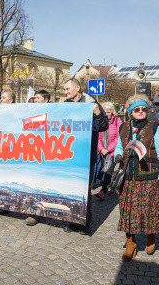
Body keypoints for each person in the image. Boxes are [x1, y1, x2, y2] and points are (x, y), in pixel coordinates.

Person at [114, 94, 159, 260]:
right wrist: (117, 156)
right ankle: (131, 243)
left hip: (148, 174)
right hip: (128, 175)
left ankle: (151, 236)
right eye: (136, 109)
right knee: (128, 210)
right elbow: (118, 146)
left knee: (149, 208)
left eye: (143, 109)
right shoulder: (124, 127)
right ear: (131, 111)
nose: (140, 111)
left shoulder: (154, 127)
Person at [63, 78, 109, 235]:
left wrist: (97, 114)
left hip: (86, 152)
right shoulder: (66, 104)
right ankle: (72, 221)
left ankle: (85, 223)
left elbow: (103, 126)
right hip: (70, 152)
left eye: (68, 89)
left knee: (83, 190)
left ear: (77, 88)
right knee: (70, 188)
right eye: (64, 89)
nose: (66, 92)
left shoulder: (92, 103)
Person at [25, 89, 51, 226]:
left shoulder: (54, 113)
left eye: (38, 98)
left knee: (42, 185)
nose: (35, 100)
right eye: (34, 98)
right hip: (31, 154)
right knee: (31, 184)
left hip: (45, 156)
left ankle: (42, 211)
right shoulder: (31, 113)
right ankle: (32, 213)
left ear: (46, 100)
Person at [94, 102, 123, 200]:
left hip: (113, 151)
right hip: (102, 151)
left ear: (112, 111)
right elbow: (97, 136)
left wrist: (108, 149)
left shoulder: (118, 121)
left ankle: (103, 191)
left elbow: (118, 138)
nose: (106, 114)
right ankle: (113, 186)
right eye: (105, 112)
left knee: (108, 171)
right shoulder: (100, 121)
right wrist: (101, 149)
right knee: (104, 169)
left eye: (109, 111)